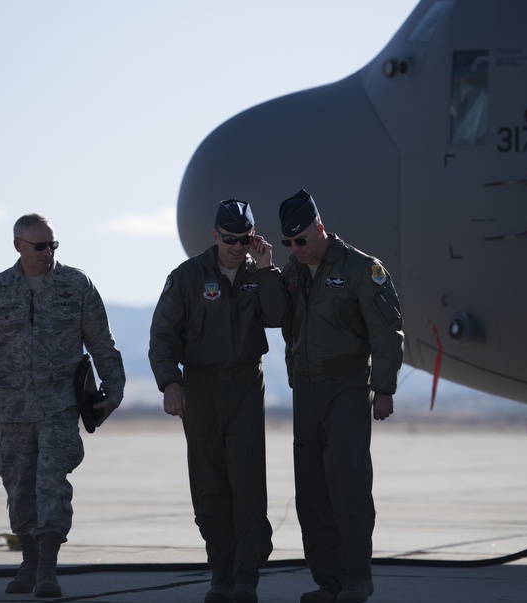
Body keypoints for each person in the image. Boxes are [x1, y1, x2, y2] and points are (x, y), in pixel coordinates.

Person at [0, 213, 126, 599]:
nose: (48, 252)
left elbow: (102, 342)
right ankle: (29, 562)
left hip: (60, 408)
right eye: (40, 246)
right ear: (18, 245)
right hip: (13, 413)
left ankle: (47, 568)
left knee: (51, 485)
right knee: (19, 489)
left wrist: (113, 391)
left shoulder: (76, 285)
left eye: (53, 245)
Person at [149, 199, 288, 603]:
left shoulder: (256, 273)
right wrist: (169, 383)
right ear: (215, 236)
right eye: (230, 239)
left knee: (247, 481)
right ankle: (220, 575)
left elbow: (279, 317)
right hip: (201, 387)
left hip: (245, 382)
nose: (236, 246)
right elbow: (163, 335)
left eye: (244, 239)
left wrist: (266, 270)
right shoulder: (189, 276)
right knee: (210, 485)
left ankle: (245, 576)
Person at [277, 190, 404, 603]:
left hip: (347, 386)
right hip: (307, 391)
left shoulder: (360, 269)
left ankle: (356, 580)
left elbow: (386, 331)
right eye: (288, 243)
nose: (295, 250)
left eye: (301, 241)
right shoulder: (294, 274)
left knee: (347, 484)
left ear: (319, 229)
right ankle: (327, 582)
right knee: (311, 491)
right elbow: (285, 324)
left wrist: (383, 388)